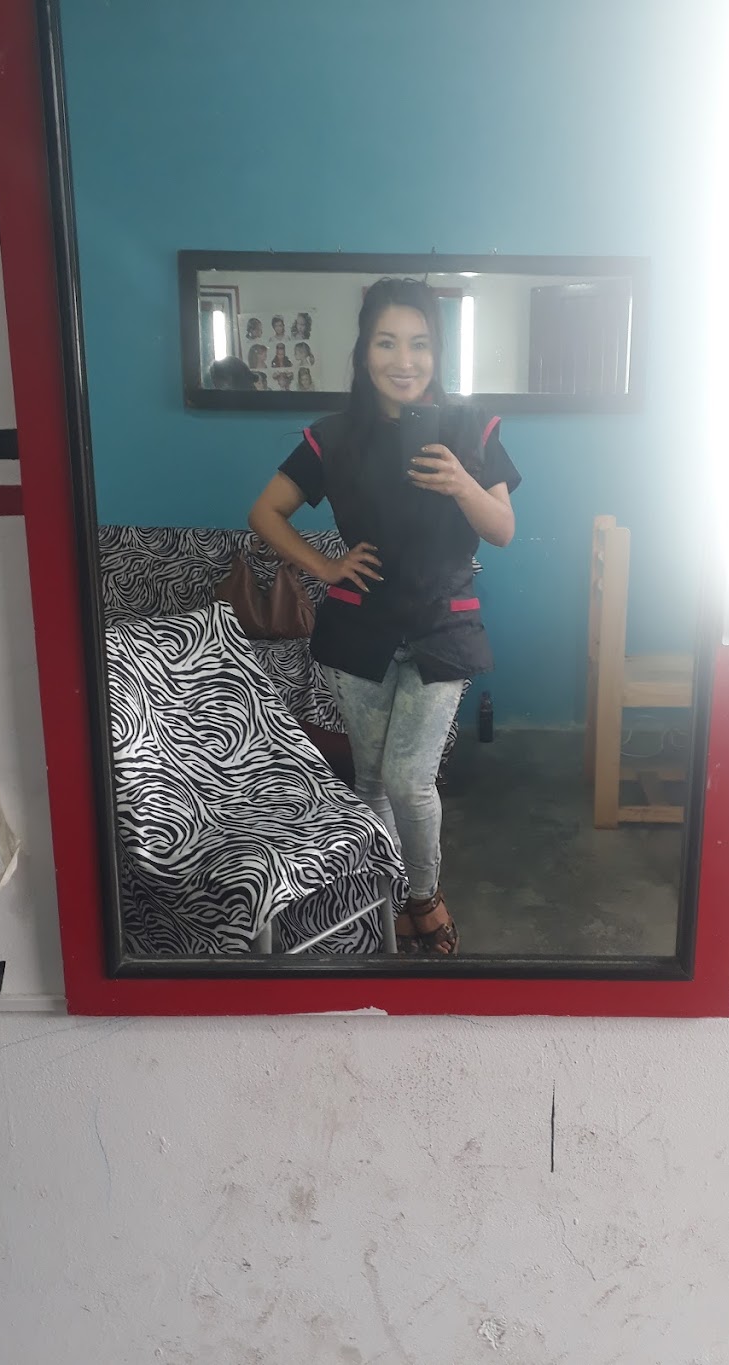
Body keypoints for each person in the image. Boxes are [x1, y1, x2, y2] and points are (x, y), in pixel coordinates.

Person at [249, 278, 519, 955]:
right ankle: (386, 898)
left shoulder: (471, 428)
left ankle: (424, 897)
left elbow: (502, 530)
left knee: (408, 778)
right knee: (369, 780)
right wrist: (325, 566)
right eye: (387, 342)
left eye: (420, 344)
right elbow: (265, 513)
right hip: (359, 627)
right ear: (364, 350)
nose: (404, 360)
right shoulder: (333, 437)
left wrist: (461, 482)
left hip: (442, 624)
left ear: (438, 351)